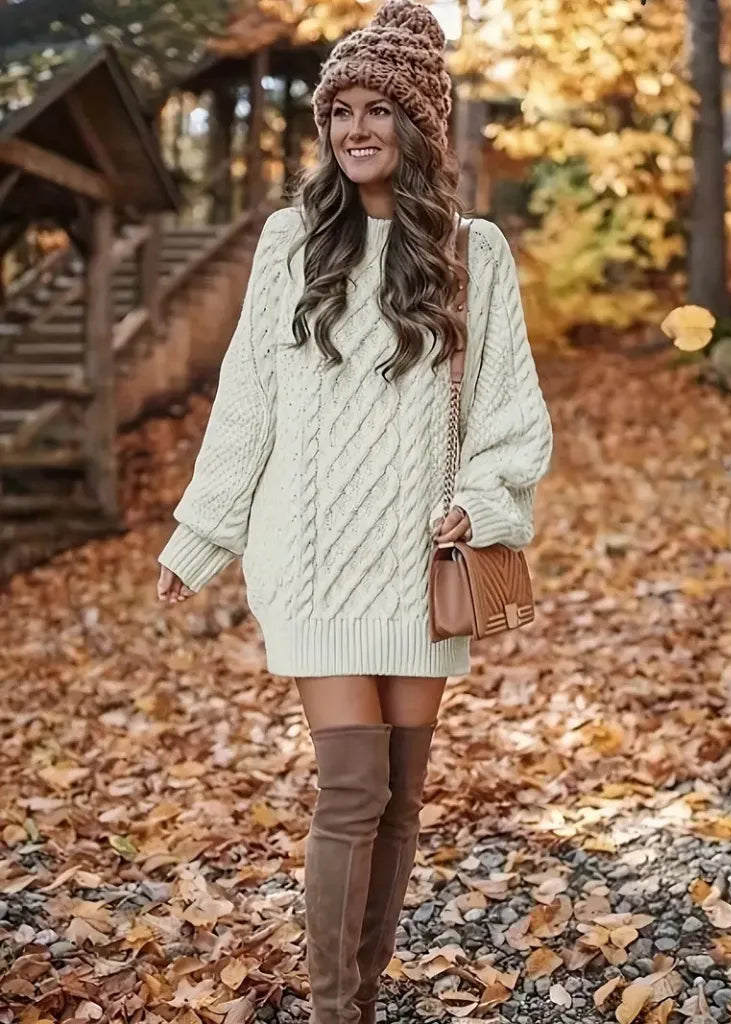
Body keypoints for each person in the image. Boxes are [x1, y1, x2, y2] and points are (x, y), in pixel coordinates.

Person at [156, 1, 553, 1019]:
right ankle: (337, 1010)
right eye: (341, 110)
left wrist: (481, 499)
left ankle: (365, 995)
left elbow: (510, 410)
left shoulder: (476, 251)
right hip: (312, 554)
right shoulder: (293, 240)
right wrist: (202, 532)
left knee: (403, 798)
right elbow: (246, 398)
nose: (356, 129)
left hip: (421, 566)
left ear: (419, 128)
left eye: (381, 109)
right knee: (351, 793)